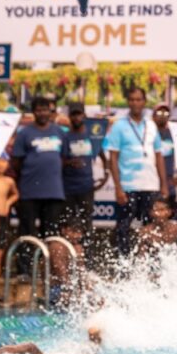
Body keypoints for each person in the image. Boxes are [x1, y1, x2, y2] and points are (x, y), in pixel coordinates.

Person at [106, 86, 169, 257]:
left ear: (144, 102)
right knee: (124, 226)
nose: (135, 103)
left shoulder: (151, 125)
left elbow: (159, 155)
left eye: (139, 99)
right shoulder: (119, 126)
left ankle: (149, 261)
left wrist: (164, 184)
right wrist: (118, 188)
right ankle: (123, 261)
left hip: (151, 184)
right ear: (128, 102)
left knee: (150, 226)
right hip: (128, 185)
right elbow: (113, 158)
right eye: (132, 99)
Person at [11, 96, 68, 262]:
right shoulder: (25, 133)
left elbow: (64, 158)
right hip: (29, 191)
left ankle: (47, 267)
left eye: (45, 110)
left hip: (54, 192)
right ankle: (25, 268)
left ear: (50, 111)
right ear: (33, 112)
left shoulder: (59, 132)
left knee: (50, 232)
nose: (42, 113)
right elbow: (17, 162)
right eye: (38, 110)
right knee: (27, 231)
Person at [62, 102, 107, 254]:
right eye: (73, 114)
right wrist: (70, 162)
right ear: (69, 117)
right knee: (67, 222)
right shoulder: (66, 137)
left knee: (86, 223)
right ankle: (69, 255)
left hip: (86, 187)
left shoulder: (91, 135)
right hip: (68, 187)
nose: (76, 118)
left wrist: (105, 176)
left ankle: (88, 258)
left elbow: (103, 157)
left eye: (79, 114)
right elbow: (59, 160)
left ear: (84, 116)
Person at [0, 153, 19, 300]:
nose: (0, 164)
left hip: (2, 219)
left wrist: (7, 203)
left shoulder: (9, 181)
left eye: (4, 161)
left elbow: (15, 194)